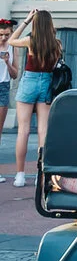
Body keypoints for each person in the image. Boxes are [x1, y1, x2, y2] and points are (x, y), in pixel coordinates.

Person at [9, 9, 62, 187]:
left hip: (30, 80)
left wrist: (25, 21)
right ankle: (43, 175)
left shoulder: (30, 41)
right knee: (43, 131)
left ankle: (20, 175)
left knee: (23, 130)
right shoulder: (56, 44)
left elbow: (11, 40)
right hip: (46, 81)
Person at [0, 17, 19, 183]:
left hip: (3, 87)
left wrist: (6, 62)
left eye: (6, 34)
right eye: (1, 34)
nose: (3, 38)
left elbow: (15, 74)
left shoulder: (13, 48)